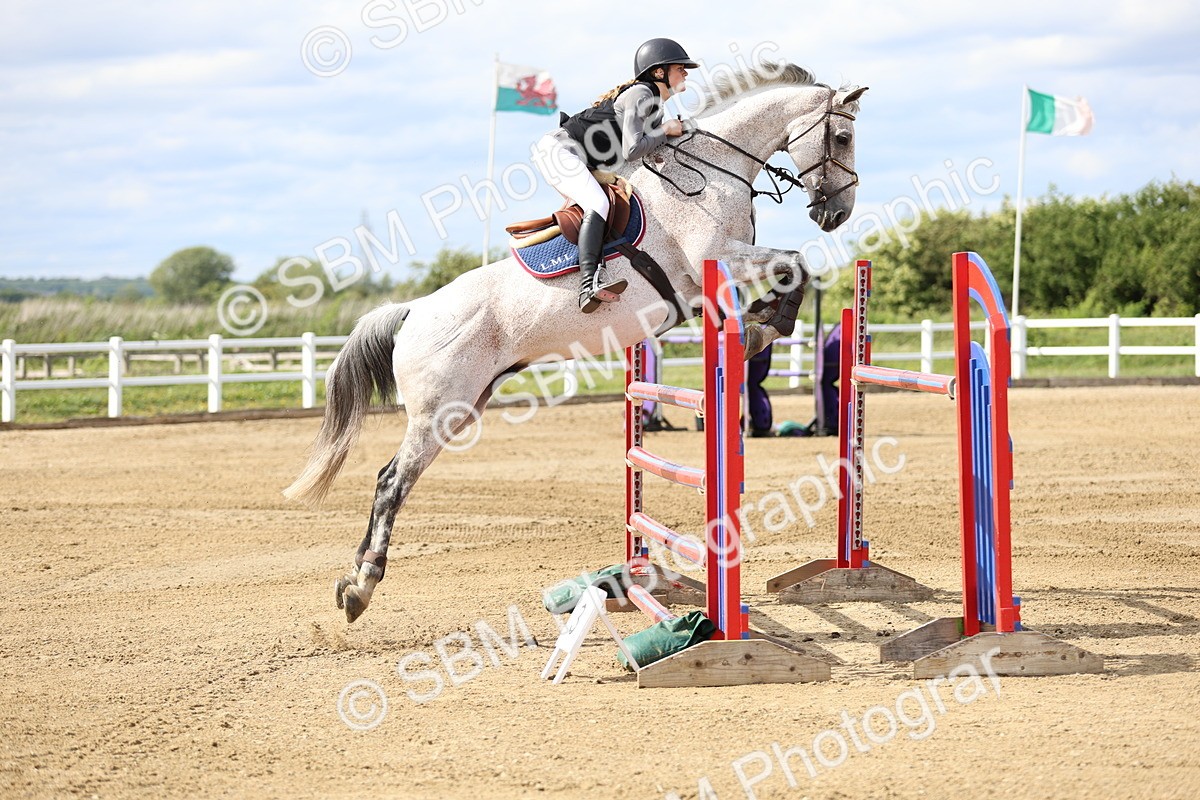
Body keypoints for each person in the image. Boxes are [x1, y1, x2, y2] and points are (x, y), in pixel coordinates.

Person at [533, 38, 698, 313]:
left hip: (580, 158)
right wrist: (667, 131)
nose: (686, 73)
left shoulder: (655, 107)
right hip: (559, 151)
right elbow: (633, 150)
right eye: (680, 67)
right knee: (598, 204)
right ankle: (589, 285)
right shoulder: (641, 95)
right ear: (659, 72)